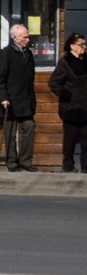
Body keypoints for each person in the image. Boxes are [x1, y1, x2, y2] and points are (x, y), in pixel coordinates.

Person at [49, 32, 87, 173]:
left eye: (85, 44)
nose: (84, 47)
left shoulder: (86, 60)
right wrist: (66, 95)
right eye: (81, 44)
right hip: (71, 107)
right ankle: (68, 165)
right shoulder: (65, 63)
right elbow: (53, 83)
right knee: (70, 139)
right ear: (72, 46)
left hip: (86, 105)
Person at [0, 24, 37, 172]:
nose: (28, 39)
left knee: (29, 127)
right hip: (11, 99)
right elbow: (0, 78)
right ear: (15, 38)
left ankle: (25, 161)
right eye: (25, 37)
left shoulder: (28, 54)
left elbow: (31, 77)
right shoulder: (6, 54)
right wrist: (3, 97)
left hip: (26, 99)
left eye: (28, 36)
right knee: (10, 131)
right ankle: (12, 162)